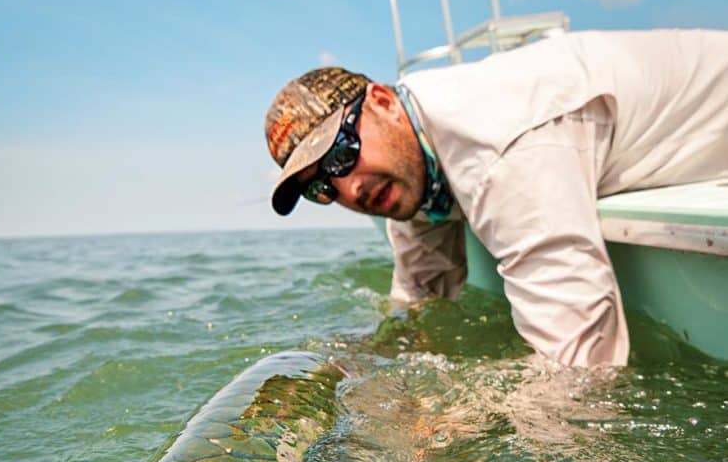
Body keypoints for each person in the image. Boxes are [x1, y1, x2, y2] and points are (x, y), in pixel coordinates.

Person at [264, 31, 728, 367]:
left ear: (384, 101)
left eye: (342, 154)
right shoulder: (408, 170)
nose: (349, 189)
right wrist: (363, 365)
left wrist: (461, 417)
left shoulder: (496, 146)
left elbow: (583, 364)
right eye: (321, 187)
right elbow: (419, 297)